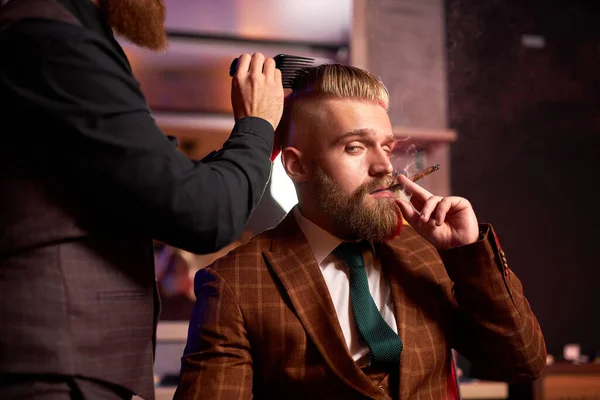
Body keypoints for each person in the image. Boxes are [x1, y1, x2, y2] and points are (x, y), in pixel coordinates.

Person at [175, 64, 547, 399]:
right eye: (355, 147)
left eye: (386, 147)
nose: (384, 166)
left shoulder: (428, 253)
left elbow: (520, 364)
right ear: (296, 165)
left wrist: (467, 256)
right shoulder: (234, 284)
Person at [0, 0, 283, 398]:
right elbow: (203, 213)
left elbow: (159, 184)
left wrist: (257, 142)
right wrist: (255, 128)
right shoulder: (53, 41)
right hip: (54, 368)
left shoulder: (53, 33)